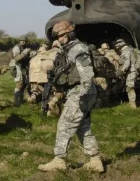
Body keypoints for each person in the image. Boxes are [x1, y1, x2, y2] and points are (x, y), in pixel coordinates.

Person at [38, 21, 104, 172]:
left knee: (64, 124)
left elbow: (87, 72)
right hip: (79, 91)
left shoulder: (78, 48)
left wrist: (83, 94)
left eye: (62, 36)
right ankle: (95, 160)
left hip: (81, 91)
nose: (60, 39)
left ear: (70, 33)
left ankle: (59, 160)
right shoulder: (69, 49)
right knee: (83, 128)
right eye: (58, 37)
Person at [113, 38, 138, 109]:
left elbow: (126, 64)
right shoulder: (128, 50)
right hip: (130, 71)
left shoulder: (126, 51)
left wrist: (121, 71)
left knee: (130, 87)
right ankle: (131, 102)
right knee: (128, 87)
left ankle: (133, 104)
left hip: (131, 71)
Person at [9, 38, 31, 106]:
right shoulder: (17, 48)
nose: (24, 42)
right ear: (19, 41)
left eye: (25, 41)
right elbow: (17, 59)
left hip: (23, 67)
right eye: (22, 41)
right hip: (16, 66)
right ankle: (16, 100)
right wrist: (25, 52)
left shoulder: (25, 48)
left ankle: (21, 99)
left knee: (24, 83)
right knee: (19, 83)